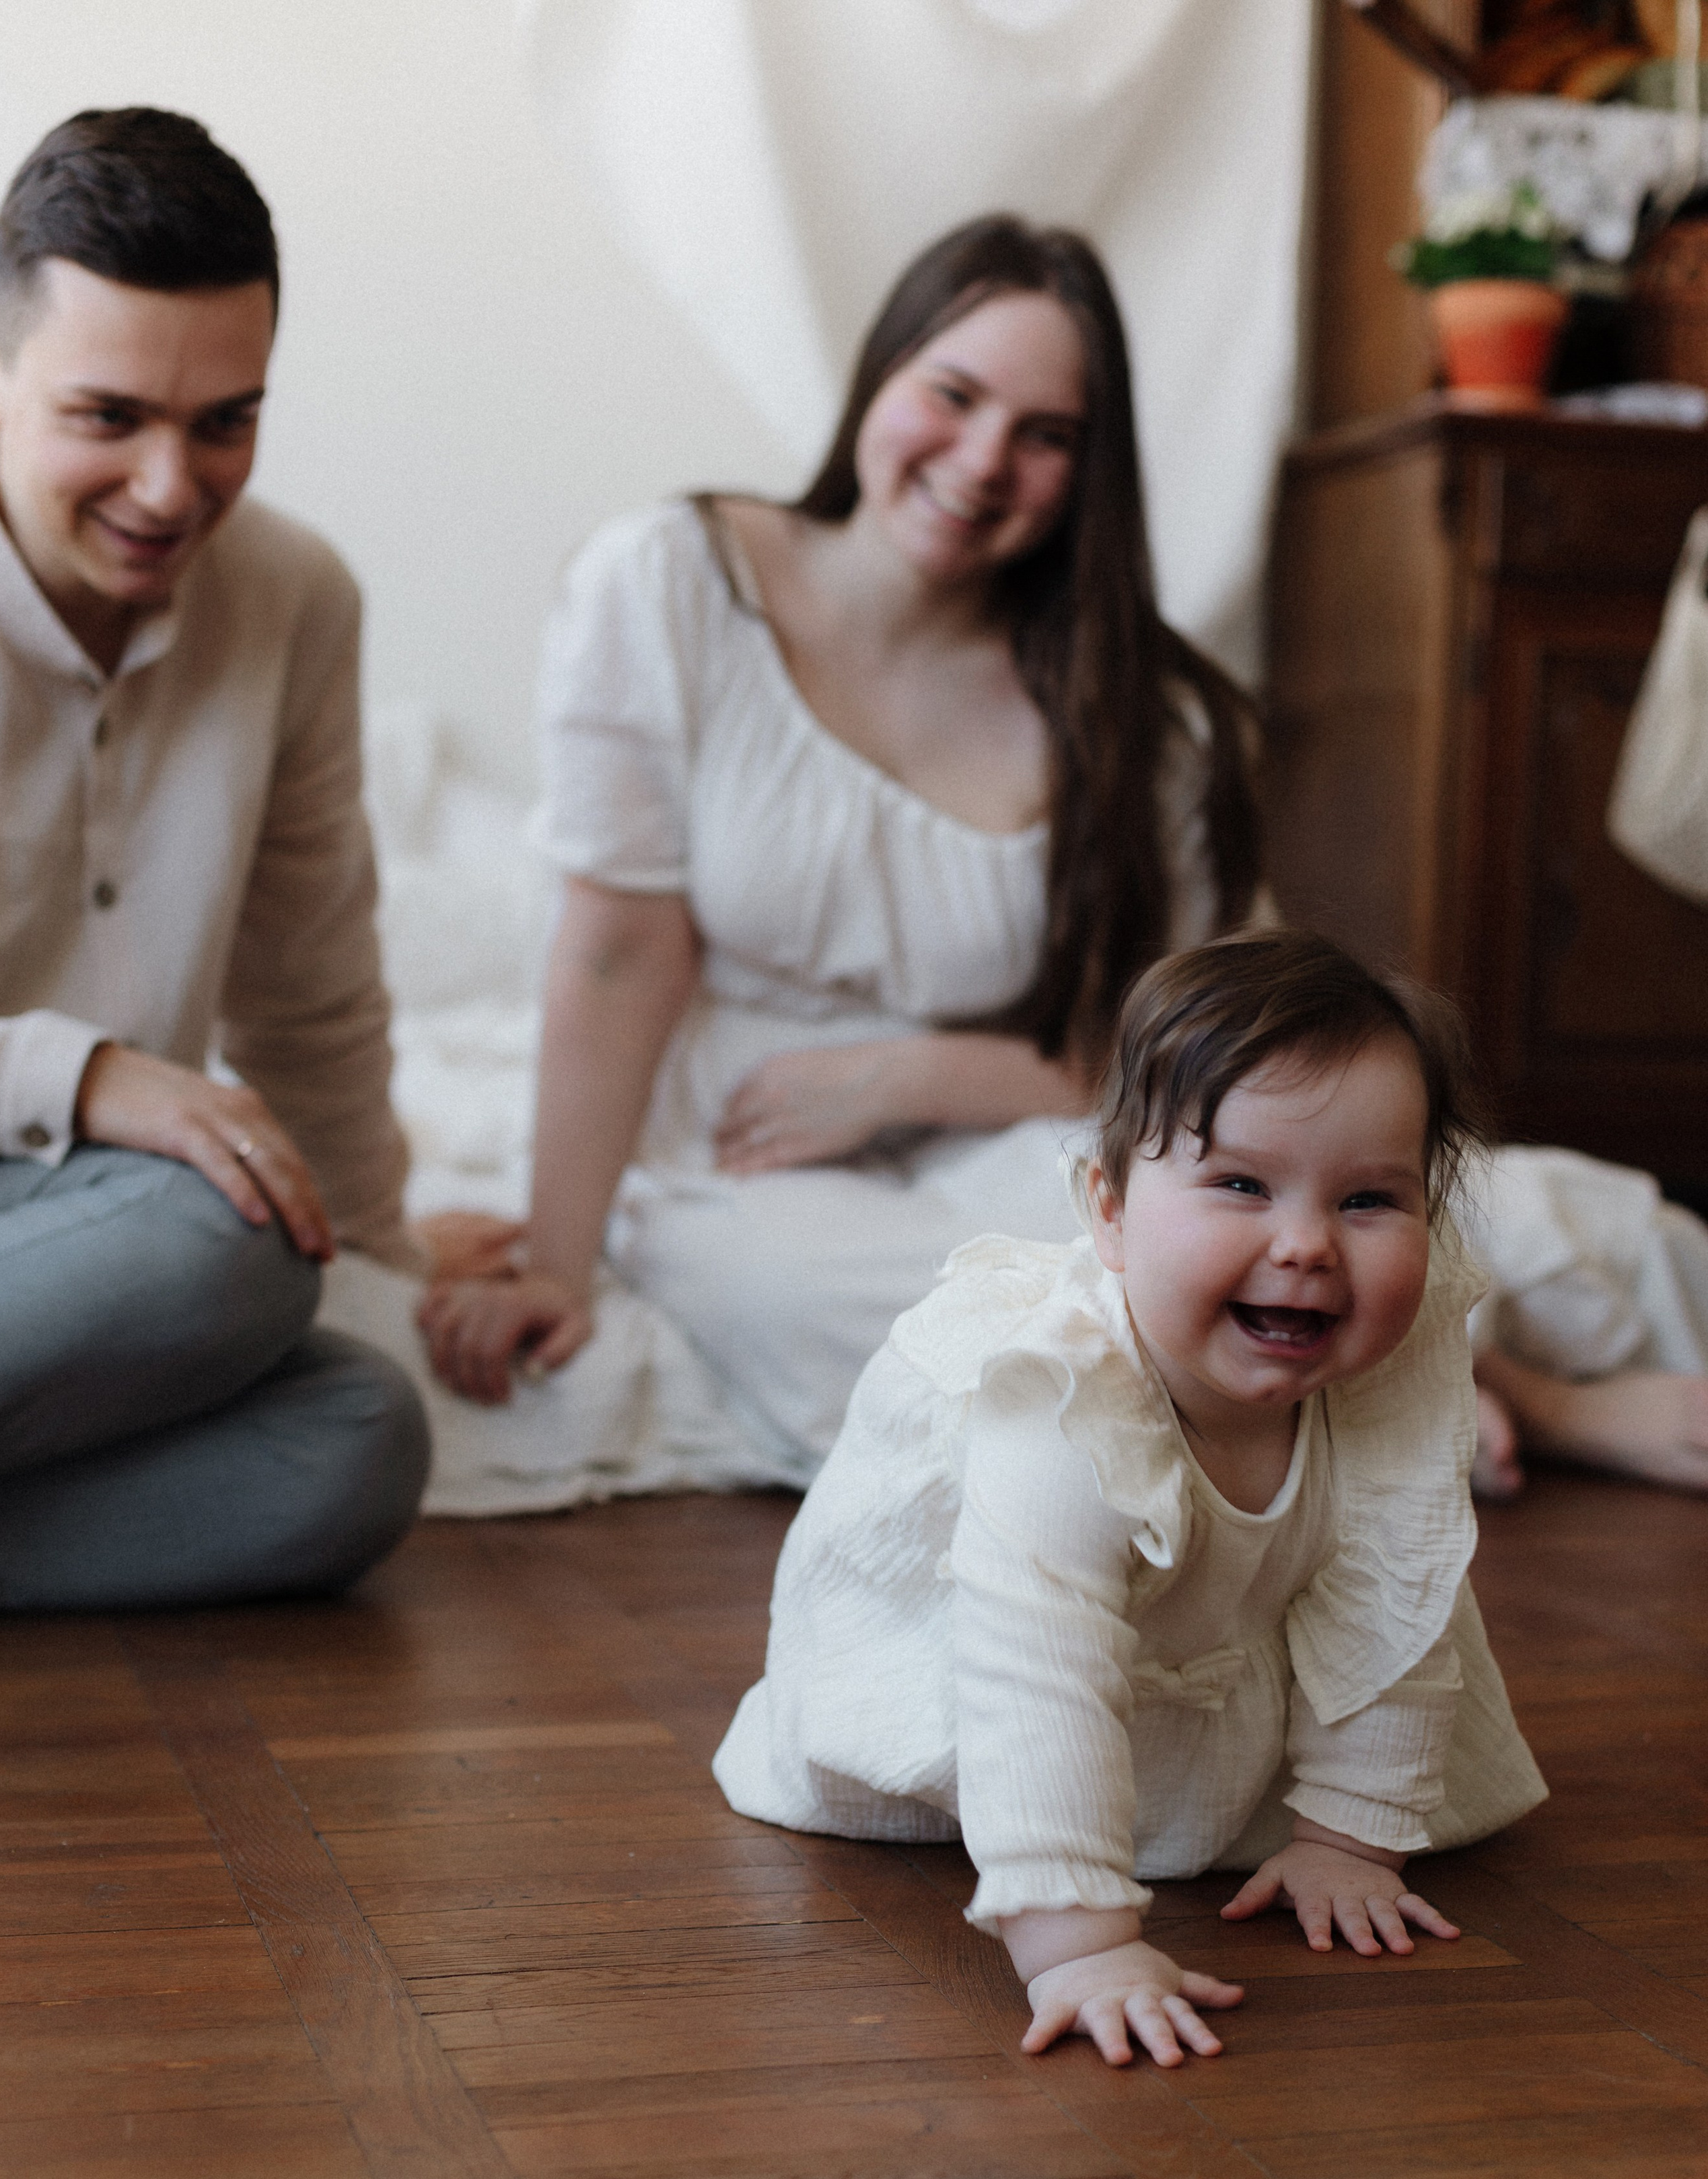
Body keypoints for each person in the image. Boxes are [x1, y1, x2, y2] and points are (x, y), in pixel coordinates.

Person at [414, 214, 1260, 1483]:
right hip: (728, 1156)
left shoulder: (1140, 711)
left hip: (1009, 1121)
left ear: (1091, 472)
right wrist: (554, 1256)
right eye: (954, 395)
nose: (982, 462)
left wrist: (911, 1079)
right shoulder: (669, 585)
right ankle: (1277, 1456)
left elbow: (1165, 1052)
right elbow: (611, 956)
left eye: (1047, 437)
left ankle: (1470, 1400)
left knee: (1204, 1249)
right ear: (881, 376)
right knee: (908, 1322)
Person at [714, 933, 1548, 2069]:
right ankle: (1049, 1870)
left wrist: (1352, 1840)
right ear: (1109, 1211)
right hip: (994, 1667)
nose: (1304, 1246)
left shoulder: (1386, 1386)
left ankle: (1265, 1796)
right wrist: (1078, 1945)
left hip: (1209, 1647)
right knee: (1044, 1702)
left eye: (1368, 1201)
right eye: (1241, 1185)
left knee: (1400, 1581)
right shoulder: (1065, 1407)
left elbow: (1398, 1611)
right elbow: (1036, 1666)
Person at [0, 108, 429, 1610]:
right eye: (108, 417)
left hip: (77, 1241)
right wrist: (89, 1076)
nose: (170, 487)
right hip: (120, 1215)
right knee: (218, 1240)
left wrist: (383, 1248)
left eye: (223, 421)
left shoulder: (295, 599)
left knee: (359, 1429)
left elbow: (313, 987)